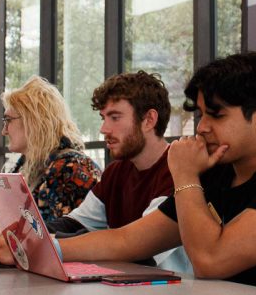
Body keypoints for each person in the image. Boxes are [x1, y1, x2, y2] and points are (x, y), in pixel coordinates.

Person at [0, 52, 256, 295]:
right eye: (200, 115)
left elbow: (212, 261)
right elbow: (127, 242)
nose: (204, 127)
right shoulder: (219, 175)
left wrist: (184, 174)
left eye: (217, 115)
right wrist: (35, 248)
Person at [41, 71, 175, 236]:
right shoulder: (115, 173)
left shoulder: (178, 171)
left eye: (115, 118)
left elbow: (137, 245)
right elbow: (75, 222)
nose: (103, 129)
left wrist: (46, 242)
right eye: (103, 118)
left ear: (149, 120)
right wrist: (27, 234)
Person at [1, 76, 100, 219]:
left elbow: (67, 236)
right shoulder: (28, 166)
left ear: (33, 121)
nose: (4, 131)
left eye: (8, 120)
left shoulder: (72, 168)